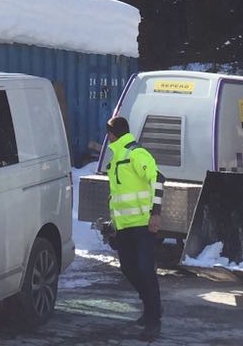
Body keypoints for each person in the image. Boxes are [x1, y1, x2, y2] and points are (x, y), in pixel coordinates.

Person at [105, 115, 163, 337]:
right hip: (124, 226)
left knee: (146, 271)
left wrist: (155, 214)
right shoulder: (118, 155)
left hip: (142, 225)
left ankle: (153, 319)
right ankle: (151, 306)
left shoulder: (135, 153)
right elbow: (118, 195)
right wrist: (112, 224)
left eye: (108, 133)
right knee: (129, 269)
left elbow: (157, 179)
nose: (106, 137)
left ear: (113, 134)